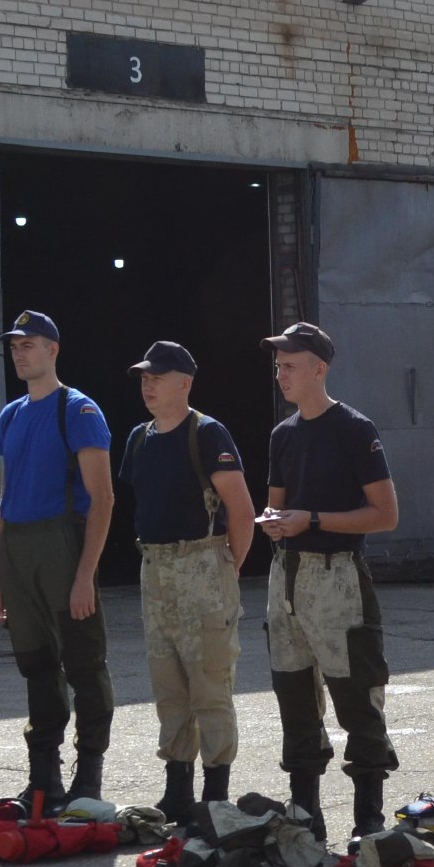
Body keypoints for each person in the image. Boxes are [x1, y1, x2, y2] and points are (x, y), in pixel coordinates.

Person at [258, 322, 401, 838]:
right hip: (287, 577)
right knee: (294, 698)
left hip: (338, 576)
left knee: (357, 699)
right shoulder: (283, 434)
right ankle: (306, 817)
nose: (281, 375)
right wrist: (274, 522)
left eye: (290, 366)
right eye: (278, 366)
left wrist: (312, 519)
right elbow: (275, 505)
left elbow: (385, 515)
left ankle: (368, 822)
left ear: (319, 369)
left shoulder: (354, 429)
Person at [117, 340, 256, 823]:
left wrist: (227, 569)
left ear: (185, 383)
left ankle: (214, 796)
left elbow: (242, 511)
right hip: (156, 568)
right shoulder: (139, 438)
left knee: (210, 686)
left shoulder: (208, 433)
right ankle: (177, 791)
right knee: (169, 686)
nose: (148, 385)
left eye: (157, 377)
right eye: (144, 378)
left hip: (202, 562)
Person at [0, 310, 116, 804]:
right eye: (14, 347)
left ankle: (89, 778)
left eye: (29, 345)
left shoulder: (78, 411)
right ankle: (44, 778)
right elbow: (6, 498)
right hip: (18, 551)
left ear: (53, 350)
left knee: (84, 664)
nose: (19, 354)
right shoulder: (11, 415)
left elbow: (103, 499)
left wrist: (85, 575)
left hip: (62, 545)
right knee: (36, 665)